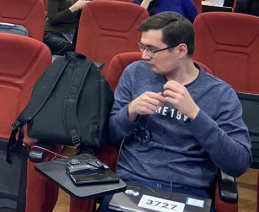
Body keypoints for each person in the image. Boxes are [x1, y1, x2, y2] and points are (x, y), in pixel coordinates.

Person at [106, 12, 251, 206]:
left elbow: (238, 164)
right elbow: (112, 137)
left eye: (152, 49)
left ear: (181, 50)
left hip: (189, 190)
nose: (144, 56)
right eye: (143, 47)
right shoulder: (134, 73)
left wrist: (195, 115)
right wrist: (130, 111)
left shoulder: (220, 93)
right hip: (133, 182)